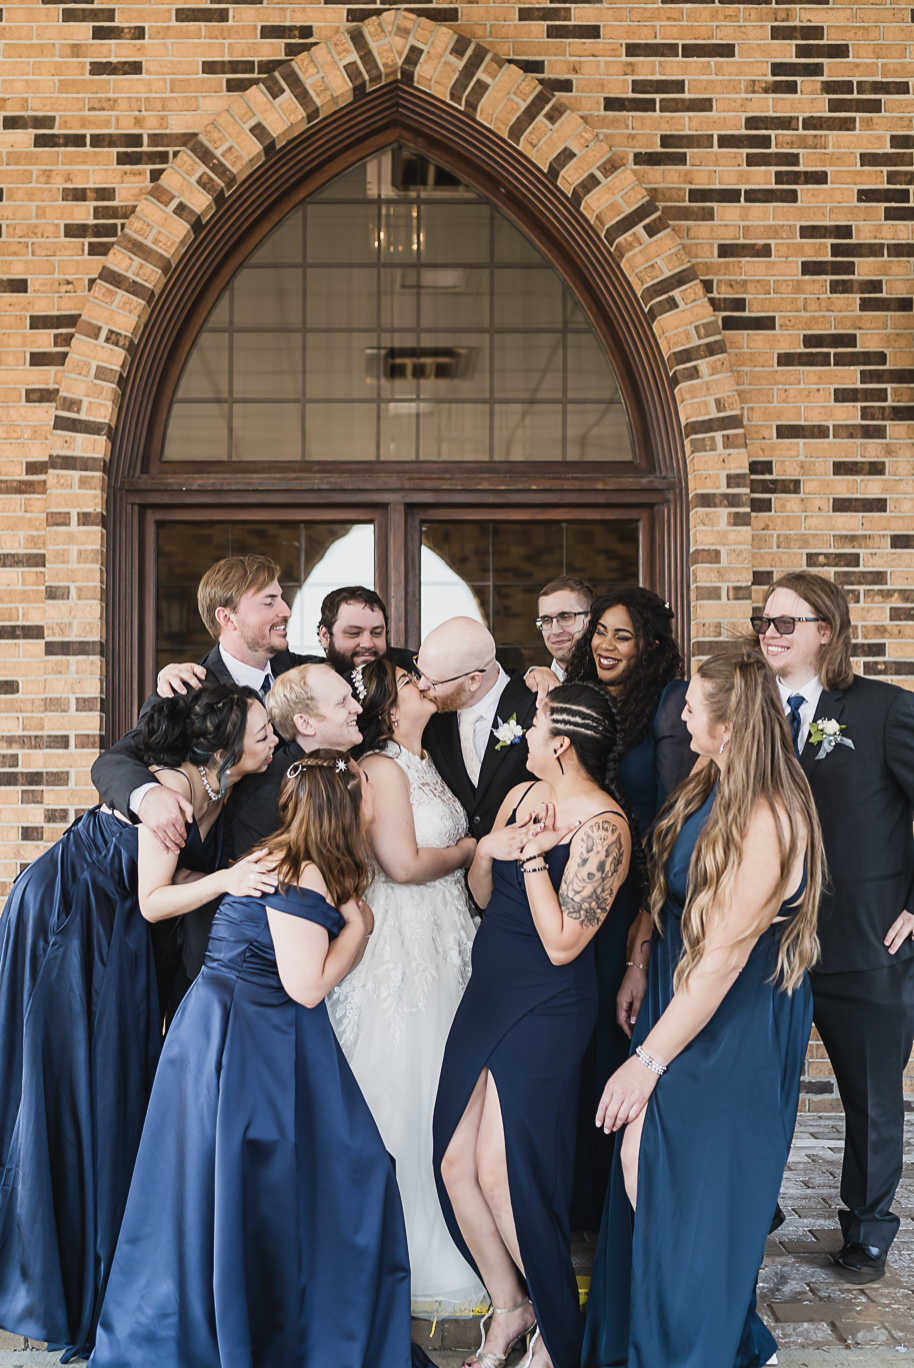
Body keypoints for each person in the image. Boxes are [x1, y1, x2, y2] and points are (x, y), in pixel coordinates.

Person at [90, 753, 433, 1368]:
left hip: (225, 1030)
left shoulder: (287, 857)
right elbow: (307, 986)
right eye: (369, 792)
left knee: (231, 1186)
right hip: (251, 1041)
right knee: (338, 1175)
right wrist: (360, 927)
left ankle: (255, 1317)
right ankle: (289, 1331)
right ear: (348, 807)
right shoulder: (301, 875)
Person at [0, 683, 277, 1362]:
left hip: (116, 937)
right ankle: (59, 1289)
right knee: (72, 1093)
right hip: (68, 924)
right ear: (223, 744)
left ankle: (97, 1286)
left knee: (114, 1095)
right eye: (264, 730)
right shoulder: (171, 790)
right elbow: (155, 901)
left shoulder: (227, 789)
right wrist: (227, 880)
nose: (274, 739)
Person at [582, 648, 824, 1368]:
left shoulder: (770, 815)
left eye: (690, 707)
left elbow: (723, 957)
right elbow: (671, 895)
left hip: (732, 1019)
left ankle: (696, 1348)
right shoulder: (706, 786)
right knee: (655, 1178)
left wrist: (645, 1064)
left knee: (676, 1182)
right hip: (678, 994)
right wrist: (637, 963)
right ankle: (725, 1341)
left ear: (726, 722)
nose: (679, 714)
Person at [433, 683, 636, 1368]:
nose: (525, 732)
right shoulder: (522, 794)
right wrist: (495, 846)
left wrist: (528, 857)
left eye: (537, 722)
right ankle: (510, 1306)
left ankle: (555, 1328)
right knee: (456, 1162)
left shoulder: (604, 827)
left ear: (562, 744)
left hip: (548, 1004)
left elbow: (562, 945)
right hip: (489, 992)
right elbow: (485, 898)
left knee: (501, 1173)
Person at [754, 571, 914, 1283]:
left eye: (787, 622)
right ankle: (754, 1206)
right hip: (768, 939)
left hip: (866, 939)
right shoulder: (751, 711)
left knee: (872, 1093)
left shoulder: (883, 710)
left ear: (827, 630)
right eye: (764, 620)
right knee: (755, 1083)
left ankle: (869, 1229)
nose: (770, 632)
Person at [326, 658, 484, 1318]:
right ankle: (398, 1249)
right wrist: (473, 850)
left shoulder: (425, 761)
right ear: (390, 705)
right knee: (402, 1074)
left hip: (445, 937)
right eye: (417, 680)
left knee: (446, 1079)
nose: (430, 684)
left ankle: (454, 1226)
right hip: (403, 938)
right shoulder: (383, 767)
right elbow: (402, 862)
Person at [564, 587, 694, 1224]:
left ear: (649, 644)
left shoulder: (669, 705)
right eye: (600, 633)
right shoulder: (589, 700)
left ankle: (635, 1190)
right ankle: (589, 1192)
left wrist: (647, 917)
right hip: (590, 885)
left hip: (639, 894)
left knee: (624, 1032)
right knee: (588, 1034)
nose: (605, 646)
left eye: (621, 635)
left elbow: (674, 817)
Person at [91, 554, 316, 855]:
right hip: (217, 868)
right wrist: (147, 796)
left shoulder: (304, 673)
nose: (286, 610)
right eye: (269, 601)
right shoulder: (186, 688)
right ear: (227, 618)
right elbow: (114, 760)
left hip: (296, 854)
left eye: (282, 599)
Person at [417, 617, 538, 840]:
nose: (421, 685)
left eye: (433, 681)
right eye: (419, 672)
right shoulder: (430, 714)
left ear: (473, 681)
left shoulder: (535, 709)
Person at [534, 575, 594, 682]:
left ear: (590, 619)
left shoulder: (615, 686)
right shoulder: (529, 691)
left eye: (565, 617)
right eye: (546, 620)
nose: (555, 631)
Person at [318, 584, 389, 671]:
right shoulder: (303, 680)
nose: (368, 644)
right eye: (354, 633)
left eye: (377, 633)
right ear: (325, 636)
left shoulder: (408, 669)